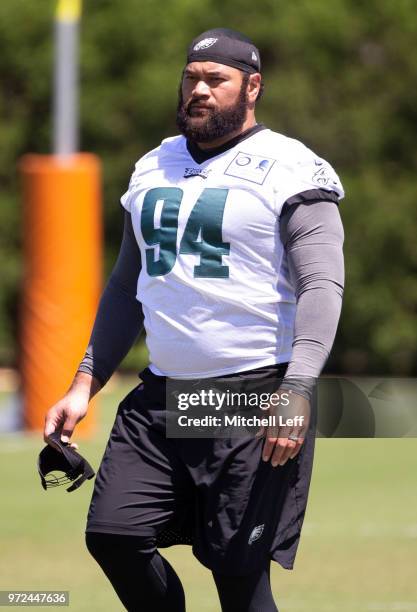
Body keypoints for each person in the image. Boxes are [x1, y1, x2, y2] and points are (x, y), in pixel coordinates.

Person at [43, 28, 345, 612]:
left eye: (216, 80)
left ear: (252, 87)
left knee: (238, 576)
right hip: (160, 394)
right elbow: (127, 285)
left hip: (252, 395)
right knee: (114, 534)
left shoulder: (294, 167)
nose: (198, 90)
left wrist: (298, 388)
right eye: (191, 78)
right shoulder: (155, 163)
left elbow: (323, 285)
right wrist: (85, 382)